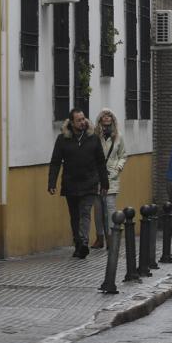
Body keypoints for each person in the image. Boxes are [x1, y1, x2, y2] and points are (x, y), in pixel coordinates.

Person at [49, 108, 110, 259]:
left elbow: (101, 162)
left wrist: (104, 183)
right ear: (71, 122)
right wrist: (52, 183)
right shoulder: (63, 139)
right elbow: (55, 162)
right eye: (79, 120)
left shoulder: (93, 138)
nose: (83, 122)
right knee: (75, 215)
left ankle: (83, 242)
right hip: (71, 183)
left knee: (85, 213)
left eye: (83, 119)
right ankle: (77, 243)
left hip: (90, 182)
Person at [91, 108, 127, 249]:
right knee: (98, 210)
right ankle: (99, 238)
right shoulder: (95, 136)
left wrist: (118, 168)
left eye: (109, 116)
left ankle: (111, 238)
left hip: (111, 176)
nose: (106, 118)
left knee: (110, 208)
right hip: (97, 176)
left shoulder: (118, 136)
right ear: (100, 119)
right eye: (104, 116)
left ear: (112, 119)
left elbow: (123, 155)